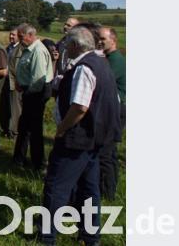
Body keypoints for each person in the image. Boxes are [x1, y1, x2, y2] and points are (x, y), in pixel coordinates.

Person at [39, 26, 121, 245]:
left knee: (56, 186)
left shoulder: (84, 67)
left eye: (68, 44)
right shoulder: (101, 63)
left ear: (75, 46)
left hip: (77, 139)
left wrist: (62, 129)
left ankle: (46, 236)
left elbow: (80, 107)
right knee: (88, 189)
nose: (65, 48)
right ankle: (90, 236)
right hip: (95, 140)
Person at [13, 23, 54, 171]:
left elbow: (37, 80)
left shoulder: (37, 51)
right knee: (25, 127)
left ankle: (38, 163)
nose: (19, 39)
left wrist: (27, 94)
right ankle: (19, 159)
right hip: (29, 91)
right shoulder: (28, 49)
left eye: (21, 36)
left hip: (36, 93)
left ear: (30, 35)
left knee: (33, 128)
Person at [98, 26, 126, 199]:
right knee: (110, 152)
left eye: (103, 39)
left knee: (105, 152)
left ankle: (107, 192)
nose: (100, 42)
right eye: (98, 39)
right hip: (114, 108)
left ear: (113, 40)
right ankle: (110, 188)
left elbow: (103, 80)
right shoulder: (108, 58)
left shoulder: (115, 60)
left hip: (117, 109)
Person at [0, 28, 21, 138]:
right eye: (10, 35)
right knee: (4, 106)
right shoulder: (7, 48)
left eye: (14, 35)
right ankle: (5, 129)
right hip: (4, 81)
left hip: (15, 82)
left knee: (15, 108)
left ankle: (14, 132)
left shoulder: (21, 49)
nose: (11, 37)